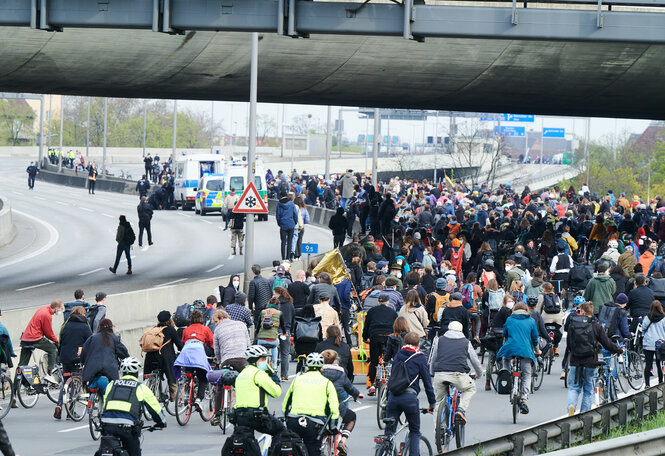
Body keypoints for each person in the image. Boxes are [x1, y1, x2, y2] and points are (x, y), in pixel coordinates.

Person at [99, 357, 166, 456]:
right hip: (127, 428)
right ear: (136, 372)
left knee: (106, 449)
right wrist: (161, 422)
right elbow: (155, 408)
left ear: (122, 372)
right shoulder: (140, 387)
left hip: (107, 425)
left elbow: (106, 404)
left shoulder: (111, 384)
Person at [565, 302, 622, 414]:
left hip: (575, 360)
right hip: (590, 361)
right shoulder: (596, 326)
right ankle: (584, 414)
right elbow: (607, 343)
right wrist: (619, 350)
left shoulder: (573, 324)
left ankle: (571, 406)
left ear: (582, 311)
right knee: (588, 389)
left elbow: (569, 344)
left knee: (574, 388)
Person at [384, 332, 436, 456]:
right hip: (409, 398)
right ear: (418, 344)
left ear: (404, 342)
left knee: (389, 432)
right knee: (414, 431)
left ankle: (384, 450)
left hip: (393, 397)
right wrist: (432, 403)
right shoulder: (420, 358)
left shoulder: (398, 355)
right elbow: (427, 383)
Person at [282, 352, 340, 456]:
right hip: (314, 423)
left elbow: (286, 403)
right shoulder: (327, 383)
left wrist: (287, 419)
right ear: (322, 368)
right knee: (313, 449)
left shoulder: (297, 380)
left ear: (307, 367)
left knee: (292, 449)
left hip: (294, 421)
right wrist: (332, 427)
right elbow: (334, 408)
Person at [233, 345, 284, 455]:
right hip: (257, 416)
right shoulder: (258, 373)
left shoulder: (241, 374)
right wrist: (274, 375)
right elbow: (276, 392)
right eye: (263, 359)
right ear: (255, 361)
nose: (265, 362)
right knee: (280, 431)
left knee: (247, 439)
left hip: (240, 416)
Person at [430, 321, 483, 425]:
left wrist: (432, 372)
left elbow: (433, 359)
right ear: (461, 330)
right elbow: (474, 360)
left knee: (439, 402)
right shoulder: (465, 342)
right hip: (458, 374)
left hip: (440, 374)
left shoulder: (439, 340)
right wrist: (479, 374)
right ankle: (461, 409)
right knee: (470, 388)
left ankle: (438, 431)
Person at [496, 303, 538, 414]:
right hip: (525, 351)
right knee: (526, 374)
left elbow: (505, 333)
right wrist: (537, 350)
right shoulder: (531, 321)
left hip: (510, 348)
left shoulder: (509, 320)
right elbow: (535, 338)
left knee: (506, 360)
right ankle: (524, 398)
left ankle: (507, 373)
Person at [320, 349, 364, 455]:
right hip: (337, 407)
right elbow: (350, 387)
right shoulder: (340, 373)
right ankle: (342, 442)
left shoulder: (318, 372)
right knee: (351, 417)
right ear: (336, 361)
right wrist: (357, 394)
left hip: (320, 406)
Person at [54, 305, 92, 420]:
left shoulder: (65, 324)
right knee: (75, 383)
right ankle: (70, 412)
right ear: (82, 314)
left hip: (65, 357)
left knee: (65, 382)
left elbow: (60, 341)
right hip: (77, 357)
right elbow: (90, 342)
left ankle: (59, 405)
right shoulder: (85, 325)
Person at [175, 310, 213, 409]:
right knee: (203, 378)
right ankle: (198, 399)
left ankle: (187, 390)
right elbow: (211, 343)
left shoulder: (186, 330)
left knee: (188, 373)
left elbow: (183, 342)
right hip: (198, 352)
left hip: (186, 353)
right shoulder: (205, 329)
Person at [18, 299, 64, 383]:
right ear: (56, 308)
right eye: (61, 309)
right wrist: (57, 341)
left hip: (25, 338)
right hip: (35, 338)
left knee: (21, 365)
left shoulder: (42, 309)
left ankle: (15, 389)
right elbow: (49, 333)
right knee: (53, 349)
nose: (61, 311)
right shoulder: (47, 315)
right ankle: (49, 373)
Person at [80, 319, 130, 392]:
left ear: (99, 327)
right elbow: (123, 353)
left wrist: (83, 362)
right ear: (111, 327)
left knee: (90, 386)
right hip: (110, 369)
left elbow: (84, 352)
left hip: (92, 369)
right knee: (113, 391)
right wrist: (128, 359)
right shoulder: (114, 338)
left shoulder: (92, 338)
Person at [363, 294, 398, 395]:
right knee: (389, 360)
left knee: (374, 361)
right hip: (388, 337)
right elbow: (396, 326)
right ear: (388, 302)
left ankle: (372, 385)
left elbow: (366, 326)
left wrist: (365, 338)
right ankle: (391, 380)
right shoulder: (392, 312)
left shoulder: (371, 311)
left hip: (375, 336)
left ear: (378, 302)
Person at [144, 311, 182, 402]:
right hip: (164, 358)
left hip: (150, 358)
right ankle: (173, 393)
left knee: (150, 374)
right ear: (169, 319)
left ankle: (150, 386)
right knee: (172, 373)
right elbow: (179, 345)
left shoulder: (154, 329)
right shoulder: (170, 329)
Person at [535, 282, 564, 356]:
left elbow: (537, 309)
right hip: (557, 319)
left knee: (542, 332)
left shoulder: (541, 296)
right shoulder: (556, 296)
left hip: (546, 319)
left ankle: (543, 346)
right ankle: (556, 347)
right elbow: (560, 308)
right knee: (557, 331)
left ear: (544, 289)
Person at [641, 300, 665, 387]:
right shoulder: (663, 318)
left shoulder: (647, 317)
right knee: (659, 364)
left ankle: (647, 384)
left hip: (648, 343)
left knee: (648, 364)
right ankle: (660, 382)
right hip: (660, 344)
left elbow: (643, 328)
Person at [293, 305, 323, 372]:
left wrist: (295, 344)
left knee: (300, 359)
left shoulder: (298, 321)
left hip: (300, 346)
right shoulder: (317, 322)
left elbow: (295, 335)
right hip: (313, 346)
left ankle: (298, 372)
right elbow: (320, 336)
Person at [257, 298, 282, 369]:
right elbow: (283, 326)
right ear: (278, 305)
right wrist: (284, 332)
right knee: (275, 346)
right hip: (273, 339)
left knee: (261, 350)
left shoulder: (262, 312)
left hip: (261, 339)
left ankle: (260, 366)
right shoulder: (279, 313)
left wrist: (257, 332)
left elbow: (258, 325)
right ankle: (274, 365)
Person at [248, 264, 272, 330]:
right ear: (260, 271)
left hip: (259, 307)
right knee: (268, 323)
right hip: (268, 306)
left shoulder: (253, 282)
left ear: (252, 272)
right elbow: (271, 293)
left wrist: (250, 307)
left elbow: (251, 296)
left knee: (258, 324)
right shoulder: (266, 280)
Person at [276, 192, 298, 260]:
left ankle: (283, 258)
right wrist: (294, 223)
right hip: (291, 224)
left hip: (283, 225)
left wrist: (280, 223)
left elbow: (278, 215)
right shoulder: (292, 204)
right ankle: (288, 257)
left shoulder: (279, 204)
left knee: (283, 242)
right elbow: (295, 215)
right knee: (290, 241)